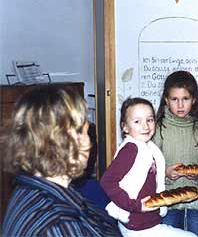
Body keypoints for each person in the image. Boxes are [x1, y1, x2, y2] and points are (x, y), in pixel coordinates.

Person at [1, 86, 121, 236]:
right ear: (64, 141)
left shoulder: (31, 189)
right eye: (85, 131)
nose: (89, 142)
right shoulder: (58, 226)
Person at [100, 97, 196, 237]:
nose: (145, 126)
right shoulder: (130, 149)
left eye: (149, 120)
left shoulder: (149, 149)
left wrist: (178, 198)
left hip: (150, 222)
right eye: (137, 121)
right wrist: (135, 206)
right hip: (137, 226)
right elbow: (107, 181)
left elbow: (151, 187)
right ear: (125, 127)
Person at [153, 70, 198, 237]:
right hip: (167, 198)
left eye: (185, 99)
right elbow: (149, 164)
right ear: (166, 100)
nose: (180, 105)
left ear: (193, 99)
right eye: (175, 99)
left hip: (196, 199)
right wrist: (166, 172)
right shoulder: (157, 129)